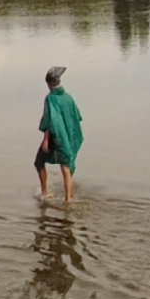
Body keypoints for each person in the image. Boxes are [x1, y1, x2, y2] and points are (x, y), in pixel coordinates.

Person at [36, 66, 84, 203]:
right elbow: (77, 116)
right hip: (67, 137)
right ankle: (68, 199)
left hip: (55, 137)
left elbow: (50, 120)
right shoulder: (68, 97)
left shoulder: (50, 98)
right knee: (66, 165)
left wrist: (45, 139)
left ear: (50, 84)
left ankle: (45, 193)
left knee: (39, 162)